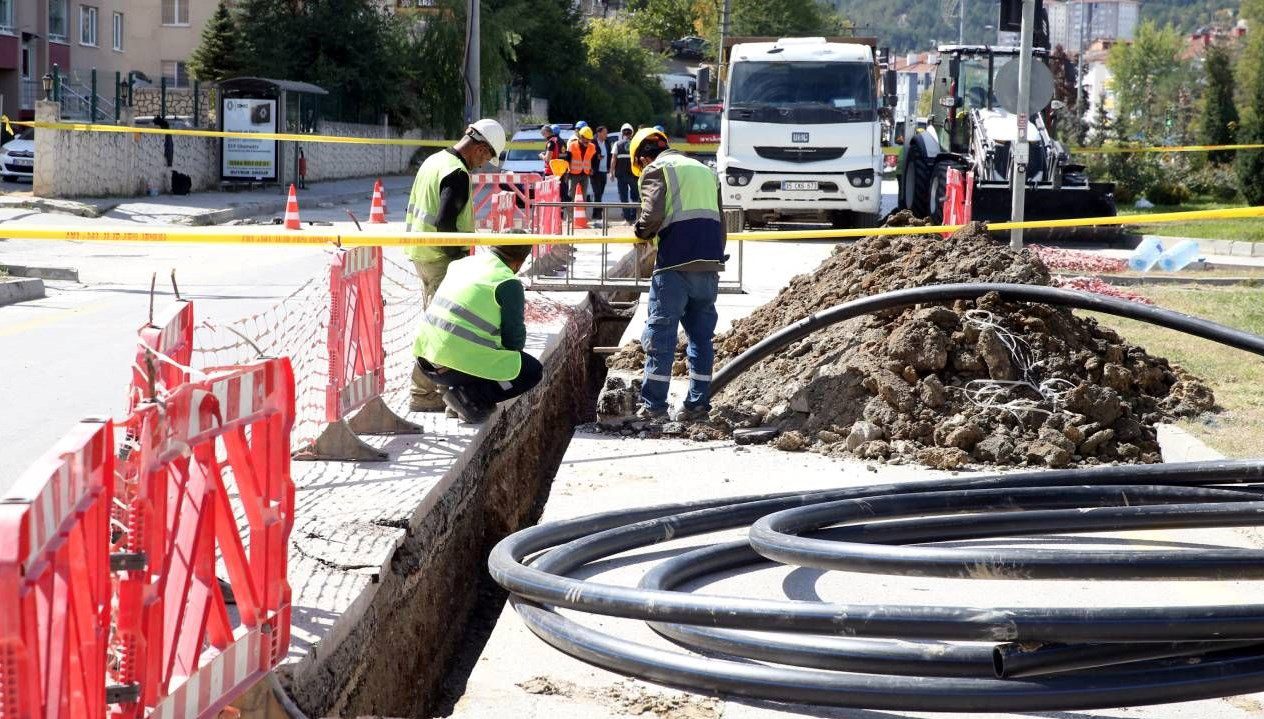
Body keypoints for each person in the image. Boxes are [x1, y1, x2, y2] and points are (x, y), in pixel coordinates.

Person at [403, 118, 507, 412]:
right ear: (480, 148)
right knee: (443, 330)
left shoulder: (433, 161)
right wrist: (460, 263)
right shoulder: (457, 173)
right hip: (441, 259)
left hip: (422, 254)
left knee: (437, 325)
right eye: (487, 157)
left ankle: (439, 391)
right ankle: (424, 394)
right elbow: (444, 223)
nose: (483, 164)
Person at [628, 128, 727, 422]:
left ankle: (654, 407)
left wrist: (639, 232)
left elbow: (652, 215)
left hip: (674, 265)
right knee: (701, 338)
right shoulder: (705, 171)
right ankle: (697, 406)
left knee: (662, 336)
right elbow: (721, 222)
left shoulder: (657, 170)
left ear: (643, 158)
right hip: (709, 264)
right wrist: (715, 257)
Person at [412, 244, 542, 423]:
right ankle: (468, 399)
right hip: (453, 367)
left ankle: (459, 399)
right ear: (519, 263)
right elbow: (514, 343)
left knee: (480, 355)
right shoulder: (507, 282)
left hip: (425, 361)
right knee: (530, 372)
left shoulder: (463, 264)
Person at [566, 125, 597, 213]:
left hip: (585, 174)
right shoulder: (572, 145)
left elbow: (594, 160)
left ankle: (582, 216)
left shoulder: (592, 147)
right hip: (573, 174)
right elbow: (567, 159)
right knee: (570, 195)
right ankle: (570, 217)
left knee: (583, 196)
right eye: (586, 138)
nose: (588, 141)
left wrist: (592, 169)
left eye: (589, 139)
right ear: (581, 137)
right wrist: (567, 171)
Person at [611, 123, 638, 224]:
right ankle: (633, 217)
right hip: (634, 175)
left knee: (623, 197)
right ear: (632, 133)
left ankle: (627, 219)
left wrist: (612, 172)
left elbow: (613, 159)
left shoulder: (617, 144)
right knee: (635, 197)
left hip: (621, 175)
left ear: (622, 133)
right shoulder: (635, 144)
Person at [591, 126, 611, 220]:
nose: (606, 135)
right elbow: (590, 156)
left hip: (604, 171)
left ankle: (596, 213)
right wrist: (596, 157)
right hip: (595, 171)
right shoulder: (593, 142)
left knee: (600, 193)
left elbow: (610, 155)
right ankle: (598, 214)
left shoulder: (607, 143)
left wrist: (609, 168)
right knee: (597, 193)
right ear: (599, 133)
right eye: (604, 133)